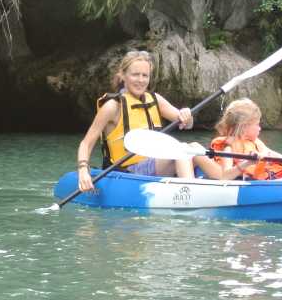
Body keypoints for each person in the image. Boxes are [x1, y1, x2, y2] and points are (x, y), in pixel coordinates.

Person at [75, 49, 196, 192]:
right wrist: (83, 169)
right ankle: (192, 192)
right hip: (129, 172)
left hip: (156, 164)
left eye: (145, 75)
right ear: (123, 75)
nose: (140, 80)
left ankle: (221, 179)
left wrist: (187, 115)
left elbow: (187, 123)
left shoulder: (155, 99)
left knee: (194, 147)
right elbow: (86, 143)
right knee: (181, 150)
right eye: (135, 75)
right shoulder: (112, 107)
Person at [193, 97, 282, 180]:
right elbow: (225, 176)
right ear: (243, 127)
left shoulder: (257, 143)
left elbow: (279, 157)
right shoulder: (228, 148)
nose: (260, 128)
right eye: (257, 124)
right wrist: (246, 163)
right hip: (271, 186)